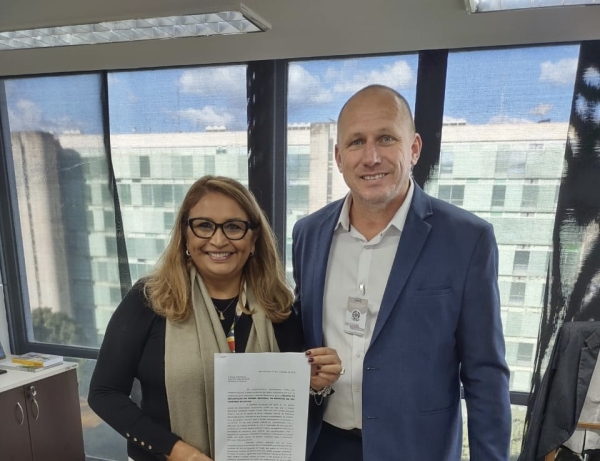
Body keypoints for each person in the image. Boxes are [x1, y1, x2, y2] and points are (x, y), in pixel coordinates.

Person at [292, 85, 511, 461]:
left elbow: (485, 374)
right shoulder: (308, 233)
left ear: (414, 148)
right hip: (322, 445)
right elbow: (301, 335)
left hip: (416, 449)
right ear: (339, 157)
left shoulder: (467, 239)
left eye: (386, 138)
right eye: (356, 142)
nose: (371, 157)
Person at [89, 175, 342, 461]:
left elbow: (288, 406)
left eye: (233, 227)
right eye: (204, 226)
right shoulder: (149, 299)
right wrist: (176, 451)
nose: (219, 240)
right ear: (186, 235)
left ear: (253, 239)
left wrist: (316, 384)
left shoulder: (278, 308)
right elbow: (104, 392)